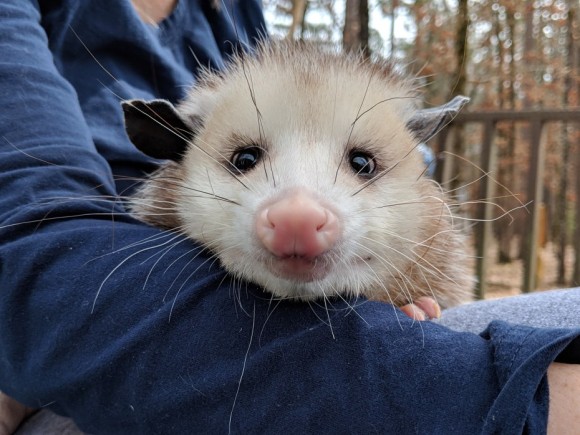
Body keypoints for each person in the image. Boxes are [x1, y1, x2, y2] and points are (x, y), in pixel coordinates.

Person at [0, 1, 579, 433]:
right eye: (246, 160)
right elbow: (35, 270)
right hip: (108, 363)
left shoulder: (227, 8)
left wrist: (389, 310)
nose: (301, 212)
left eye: (360, 165)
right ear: (172, 142)